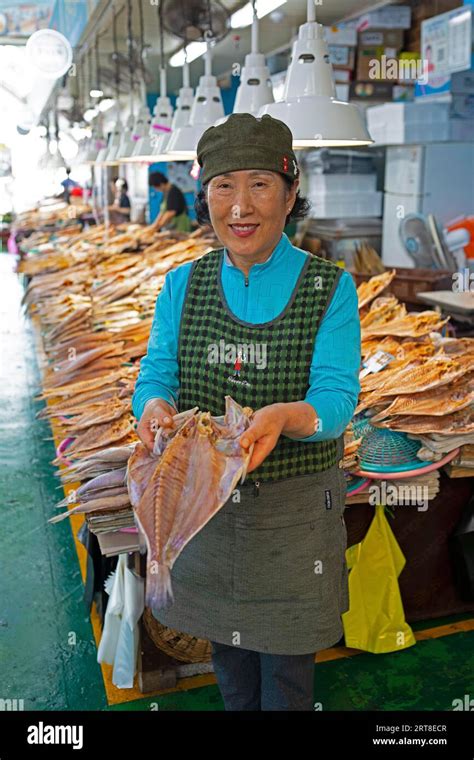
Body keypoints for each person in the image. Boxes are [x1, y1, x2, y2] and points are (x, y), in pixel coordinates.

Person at [132, 113, 361, 711]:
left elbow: (337, 399)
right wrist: (154, 405)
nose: (240, 205)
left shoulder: (329, 286)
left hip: (293, 519)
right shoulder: (183, 284)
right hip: (207, 507)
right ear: (205, 197)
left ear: (289, 194)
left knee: (286, 677)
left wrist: (287, 417)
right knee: (229, 665)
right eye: (223, 186)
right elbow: (158, 373)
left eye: (259, 183)